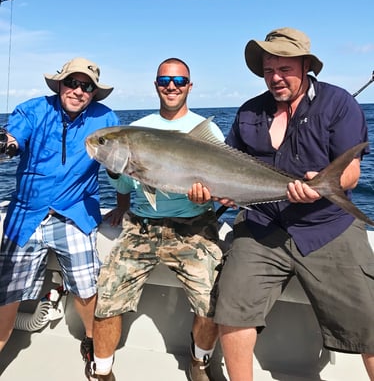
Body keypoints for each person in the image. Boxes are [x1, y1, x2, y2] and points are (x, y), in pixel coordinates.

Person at [188, 28, 374, 380]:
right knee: (232, 310)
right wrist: (216, 191)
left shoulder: (338, 103)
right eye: (268, 70)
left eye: (285, 69)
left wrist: (321, 187)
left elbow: (350, 170)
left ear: (306, 66)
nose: (275, 77)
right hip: (262, 226)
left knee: (370, 321)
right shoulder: (248, 112)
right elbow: (228, 170)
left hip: (327, 225)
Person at [85, 58, 224, 381]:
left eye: (178, 81)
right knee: (107, 299)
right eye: (164, 80)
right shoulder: (139, 128)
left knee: (215, 300)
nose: (171, 86)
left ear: (189, 86)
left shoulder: (208, 130)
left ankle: (199, 361)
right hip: (142, 226)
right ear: (156, 85)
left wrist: (211, 195)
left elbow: (222, 184)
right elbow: (127, 185)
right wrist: (113, 169)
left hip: (194, 227)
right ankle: (102, 371)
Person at [0, 57, 120, 367]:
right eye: (72, 82)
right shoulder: (33, 110)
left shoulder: (106, 119)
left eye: (86, 86)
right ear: (60, 84)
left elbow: (122, 166)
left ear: (93, 92)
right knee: (7, 294)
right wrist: (6, 145)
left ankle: (93, 342)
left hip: (75, 213)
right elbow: (13, 140)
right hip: (26, 215)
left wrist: (123, 190)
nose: (78, 91)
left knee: (86, 288)